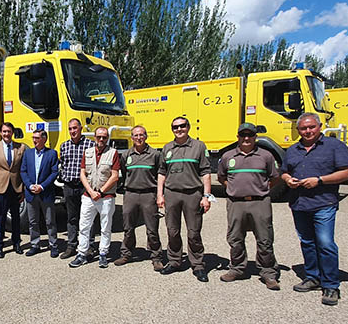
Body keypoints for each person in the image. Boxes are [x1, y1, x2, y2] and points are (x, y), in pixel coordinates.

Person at [280, 112, 348, 306]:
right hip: (299, 203)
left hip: (323, 203)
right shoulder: (293, 149)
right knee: (307, 242)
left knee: (326, 243)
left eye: (311, 127)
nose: (308, 131)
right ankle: (312, 277)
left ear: (319, 127)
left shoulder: (334, 146)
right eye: (303, 128)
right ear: (298, 130)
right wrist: (288, 180)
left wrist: (319, 180)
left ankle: (331, 285)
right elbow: (284, 172)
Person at [217, 123, 281, 290]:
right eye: (243, 135)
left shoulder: (266, 156)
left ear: (255, 137)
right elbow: (221, 177)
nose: (246, 138)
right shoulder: (228, 156)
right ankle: (237, 268)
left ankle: (268, 272)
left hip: (259, 202)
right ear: (237, 137)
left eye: (250, 135)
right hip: (235, 203)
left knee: (265, 239)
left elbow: (275, 177)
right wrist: (233, 188)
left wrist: (261, 189)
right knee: (235, 238)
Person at [158, 116, 213, 280]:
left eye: (182, 126)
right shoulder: (167, 148)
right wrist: (160, 195)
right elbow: (162, 173)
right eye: (175, 127)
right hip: (172, 194)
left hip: (192, 194)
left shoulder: (198, 146)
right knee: (172, 230)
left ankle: (198, 265)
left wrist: (206, 196)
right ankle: (174, 261)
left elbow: (206, 172)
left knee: (194, 232)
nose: (179, 129)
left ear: (188, 127)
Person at [70, 127, 120, 269]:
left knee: (105, 227)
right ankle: (82, 254)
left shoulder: (113, 153)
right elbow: (82, 174)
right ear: (94, 137)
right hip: (89, 196)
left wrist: (101, 192)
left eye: (104, 137)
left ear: (107, 138)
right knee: (84, 226)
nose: (101, 139)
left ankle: (103, 253)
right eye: (99, 137)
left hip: (106, 197)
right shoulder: (88, 152)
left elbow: (115, 176)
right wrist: (91, 191)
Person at [116, 125, 165, 271]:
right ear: (132, 138)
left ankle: (156, 257)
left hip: (148, 194)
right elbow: (124, 172)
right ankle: (126, 254)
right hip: (130, 194)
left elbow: (160, 174)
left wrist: (159, 194)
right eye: (136, 135)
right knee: (128, 227)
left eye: (141, 135)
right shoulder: (126, 155)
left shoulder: (155, 154)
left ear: (146, 136)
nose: (139, 138)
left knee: (152, 228)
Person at [0, 122, 26, 258]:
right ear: (0, 133)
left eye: (9, 131)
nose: (6, 134)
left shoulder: (20, 147)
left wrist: (23, 190)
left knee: (16, 218)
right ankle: (0, 246)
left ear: (12, 133)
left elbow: (23, 169)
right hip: (0, 189)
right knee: (1, 218)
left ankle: (16, 243)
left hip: (16, 188)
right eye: (4, 131)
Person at [20, 128, 60, 257]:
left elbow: (54, 172)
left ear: (44, 139)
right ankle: (35, 245)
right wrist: (30, 185)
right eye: (33, 138)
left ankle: (53, 245)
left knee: (50, 221)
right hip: (31, 193)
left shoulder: (52, 154)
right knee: (33, 221)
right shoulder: (28, 153)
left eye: (37, 138)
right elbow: (23, 171)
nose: (34, 140)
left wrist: (42, 186)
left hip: (45, 193)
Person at [58, 118, 92, 258]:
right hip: (69, 186)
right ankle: (71, 246)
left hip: (85, 187)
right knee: (71, 217)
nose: (72, 131)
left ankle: (89, 246)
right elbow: (63, 164)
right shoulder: (64, 146)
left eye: (75, 128)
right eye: (70, 129)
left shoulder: (90, 145)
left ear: (81, 128)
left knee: (87, 217)